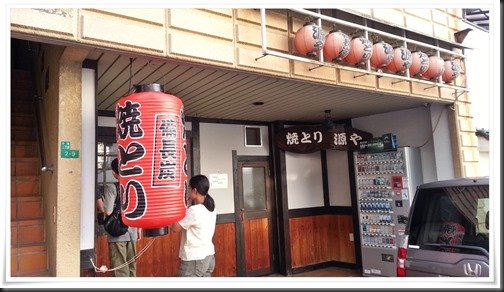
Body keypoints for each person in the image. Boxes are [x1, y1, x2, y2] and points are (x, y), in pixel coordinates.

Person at [170, 174, 217, 277]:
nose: (188, 191)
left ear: (194, 190)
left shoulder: (194, 211)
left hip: (195, 259)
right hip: (209, 255)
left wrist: (177, 208)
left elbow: (175, 228)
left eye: (189, 188)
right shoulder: (211, 207)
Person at [103, 158, 140, 277]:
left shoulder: (112, 188)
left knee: (120, 270)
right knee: (132, 268)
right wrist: (139, 229)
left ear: (114, 172)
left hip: (117, 234)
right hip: (132, 231)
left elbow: (108, 211)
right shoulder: (134, 186)